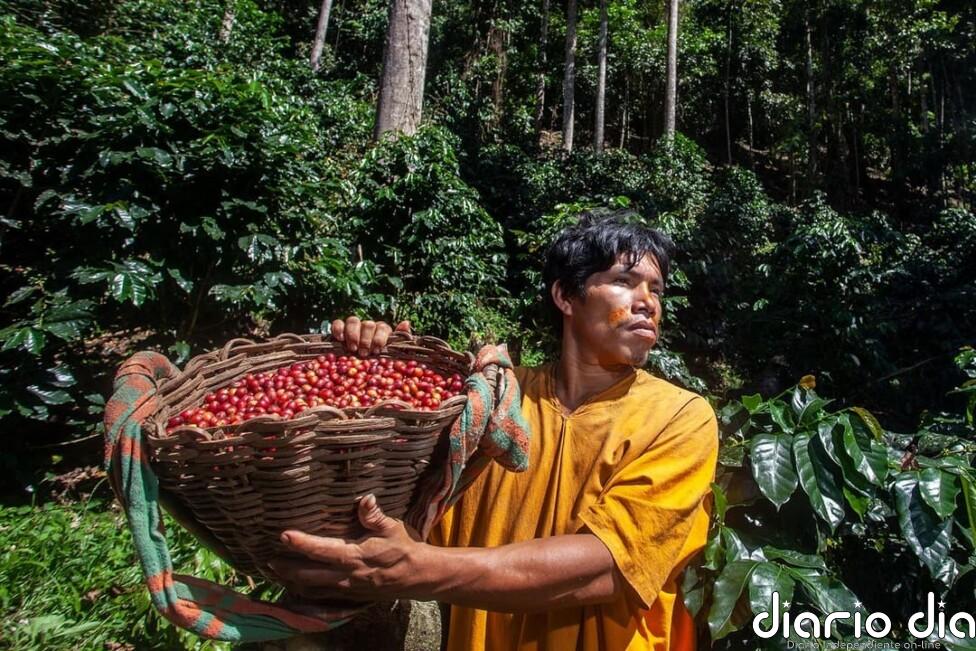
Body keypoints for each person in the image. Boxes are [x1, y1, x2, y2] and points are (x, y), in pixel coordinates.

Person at [270, 212, 719, 650]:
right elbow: (392, 507)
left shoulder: (680, 417)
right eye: (624, 281)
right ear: (565, 296)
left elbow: (607, 567)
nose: (648, 302)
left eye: (656, 289)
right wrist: (372, 367)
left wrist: (417, 569)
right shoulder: (491, 399)